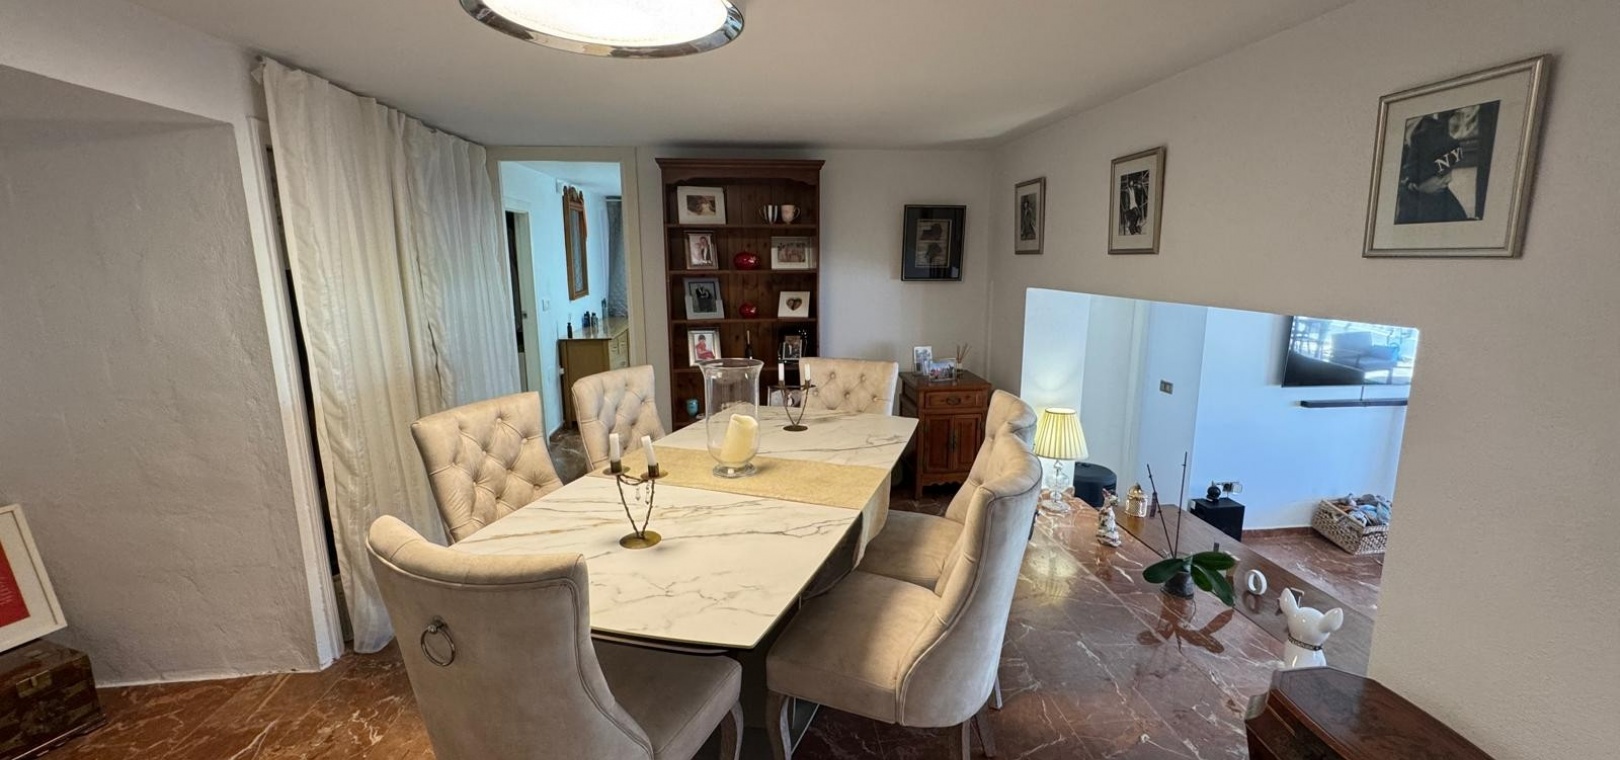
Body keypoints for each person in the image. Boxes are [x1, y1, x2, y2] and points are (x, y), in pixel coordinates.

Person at [1395, 113, 1470, 224]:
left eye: (1450, 171)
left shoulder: (1445, 200)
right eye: (1441, 174)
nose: (1450, 179)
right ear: (1415, 181)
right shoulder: (1403, 208)